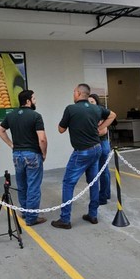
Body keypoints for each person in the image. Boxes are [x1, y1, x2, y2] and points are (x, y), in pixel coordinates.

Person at [52, 84, 116, 229]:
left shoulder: (71, 109)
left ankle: (65, 219)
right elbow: (112, 115)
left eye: (74, 91)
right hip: (96, 149)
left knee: (68, 183)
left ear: (79, 93)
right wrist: (99, 128)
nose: (73, 94)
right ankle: (93, 214)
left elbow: (61, 129)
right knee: (93, 182)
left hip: (82, 152)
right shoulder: (96, 108)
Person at [0, 90, 48, 226]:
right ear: (28, 101)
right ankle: (32, 218)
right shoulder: (36, 116)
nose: (35, 101)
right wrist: (44, 153)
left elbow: (0, 130)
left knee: (22, 185)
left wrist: (11, 145)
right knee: (33, 186)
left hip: (17, 155)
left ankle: (25, 212)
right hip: (32, 154)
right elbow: (42, 139)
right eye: (34, 98)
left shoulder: (11, 115)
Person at [88, 94, 111, 205]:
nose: (90, 104)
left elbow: (103, 131)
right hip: (95, 143)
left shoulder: (100, 112)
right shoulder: (88, 113)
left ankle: (103, 196)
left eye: (92, 101)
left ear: (97, 102)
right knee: (100, 170)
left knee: (103, 170)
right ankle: (106, 193)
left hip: (102, 143)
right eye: (88, 102)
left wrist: (89, 132)